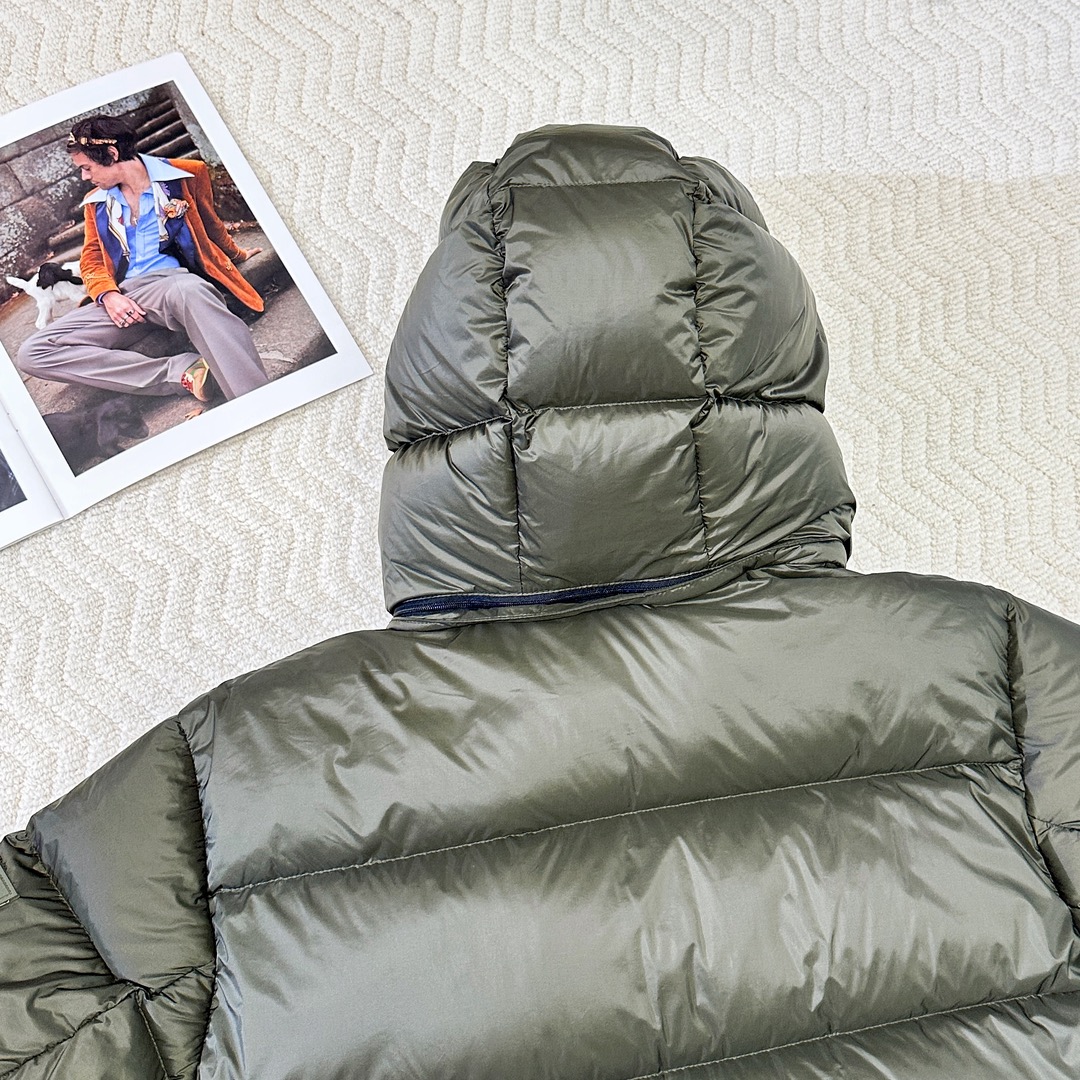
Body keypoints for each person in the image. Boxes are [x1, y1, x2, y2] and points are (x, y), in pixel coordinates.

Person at [1, 125, 1078, 1077]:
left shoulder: (238, 761)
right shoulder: (992, 659)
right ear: (779, 382)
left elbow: (47, 991)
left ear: (436, 412)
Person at [16, 114, 269, 403]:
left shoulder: (186, 175)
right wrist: (108, 295)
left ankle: (257, 404)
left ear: (112, 154)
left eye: (87, 168)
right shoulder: (96, 203)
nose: (85, 177)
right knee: (33, 353)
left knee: (192, 291)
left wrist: (237, 254)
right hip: (120, 296)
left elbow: (210, 225)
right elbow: (92, 260)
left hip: (171, 285)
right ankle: (180, 372)